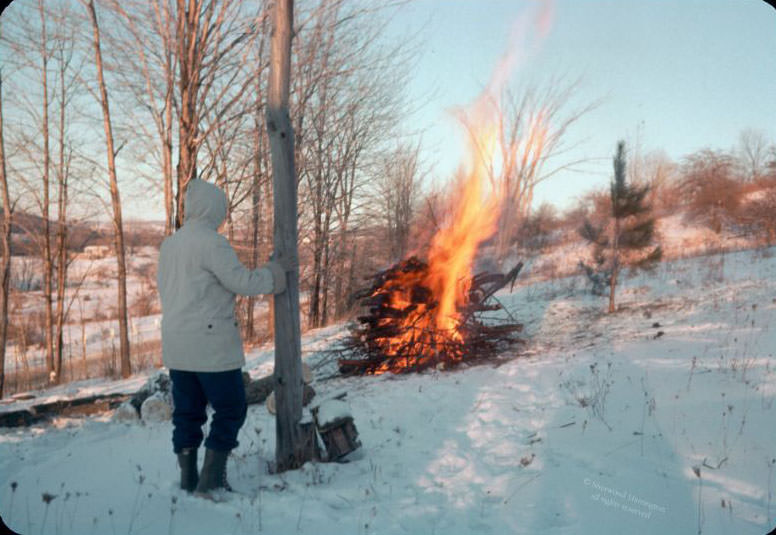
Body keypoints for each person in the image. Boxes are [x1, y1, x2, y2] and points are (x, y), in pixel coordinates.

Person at [156, 178, 289, 497]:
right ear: (213, 208)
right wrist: (274, 274)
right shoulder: (211, 242)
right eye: (222, 209)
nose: (224, 216)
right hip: (210, 345)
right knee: (231, 408)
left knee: (187, 413)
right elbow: (241, 281)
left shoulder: (169, 245)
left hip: (176, 345)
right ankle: (212, 480)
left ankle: (189, 480)